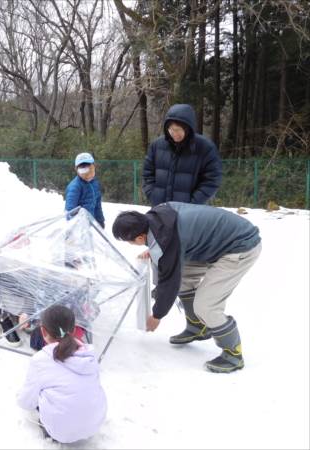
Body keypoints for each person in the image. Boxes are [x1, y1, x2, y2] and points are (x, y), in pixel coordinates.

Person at [111, 202, 262, 373]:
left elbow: (169, 281)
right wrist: (153, 250)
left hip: (239, 246)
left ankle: (233, 353)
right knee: (184, 280)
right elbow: (165, 251)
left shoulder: (167, 240)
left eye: (130, 242)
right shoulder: (156, 216)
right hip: (213, 243)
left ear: (139, 238)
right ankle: (197, 327)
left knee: (206, 306)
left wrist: (157, 315)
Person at [17, 304, 107, 444]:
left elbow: (26, 401)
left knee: (39, 392)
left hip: (59, 432)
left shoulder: (41, 360)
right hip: (94, 424)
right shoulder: (88, 355)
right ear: (73, 329)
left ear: (43, 331)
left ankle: (54, 429)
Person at [142, 104, 222, 206]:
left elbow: (212, 180)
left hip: (190, 213)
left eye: (178, 129)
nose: (174, 133)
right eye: (171, 129)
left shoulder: (205, 148)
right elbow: (147, 174)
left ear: (188, 128)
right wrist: (153, 196)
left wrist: (193, 203)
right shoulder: (157, 146)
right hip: (160, 210)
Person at [65, 152, 105, 228]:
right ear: (76, 170)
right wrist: (75, 227)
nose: (88, 175)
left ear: (94, 167)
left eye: (91, 171)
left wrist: (100, 220)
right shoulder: (75, 187)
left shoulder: (95, 184)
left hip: (91, 223)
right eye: (83, 172)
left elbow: (97, 205)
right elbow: (70, 211)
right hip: (79, 226)